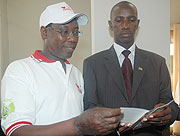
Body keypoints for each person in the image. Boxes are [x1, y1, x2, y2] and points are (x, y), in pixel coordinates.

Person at [1, 2, 123, 136]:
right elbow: (17, 131)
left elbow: (84, 125)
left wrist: (110, 125)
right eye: (65, 32)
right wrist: (77, 125)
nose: (72, 38)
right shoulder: (20, 70)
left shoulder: (75, 73)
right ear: (44, 32)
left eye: (76, 32)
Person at [83, 1, 179, 136]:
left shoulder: (158, 63)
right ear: (110, 25)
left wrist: (168, 113)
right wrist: (112, 123)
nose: (125, 25)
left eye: (131, 20)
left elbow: (169, 104)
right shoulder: (92, 64)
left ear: (137, 24)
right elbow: (90, 108)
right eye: (119, 20)